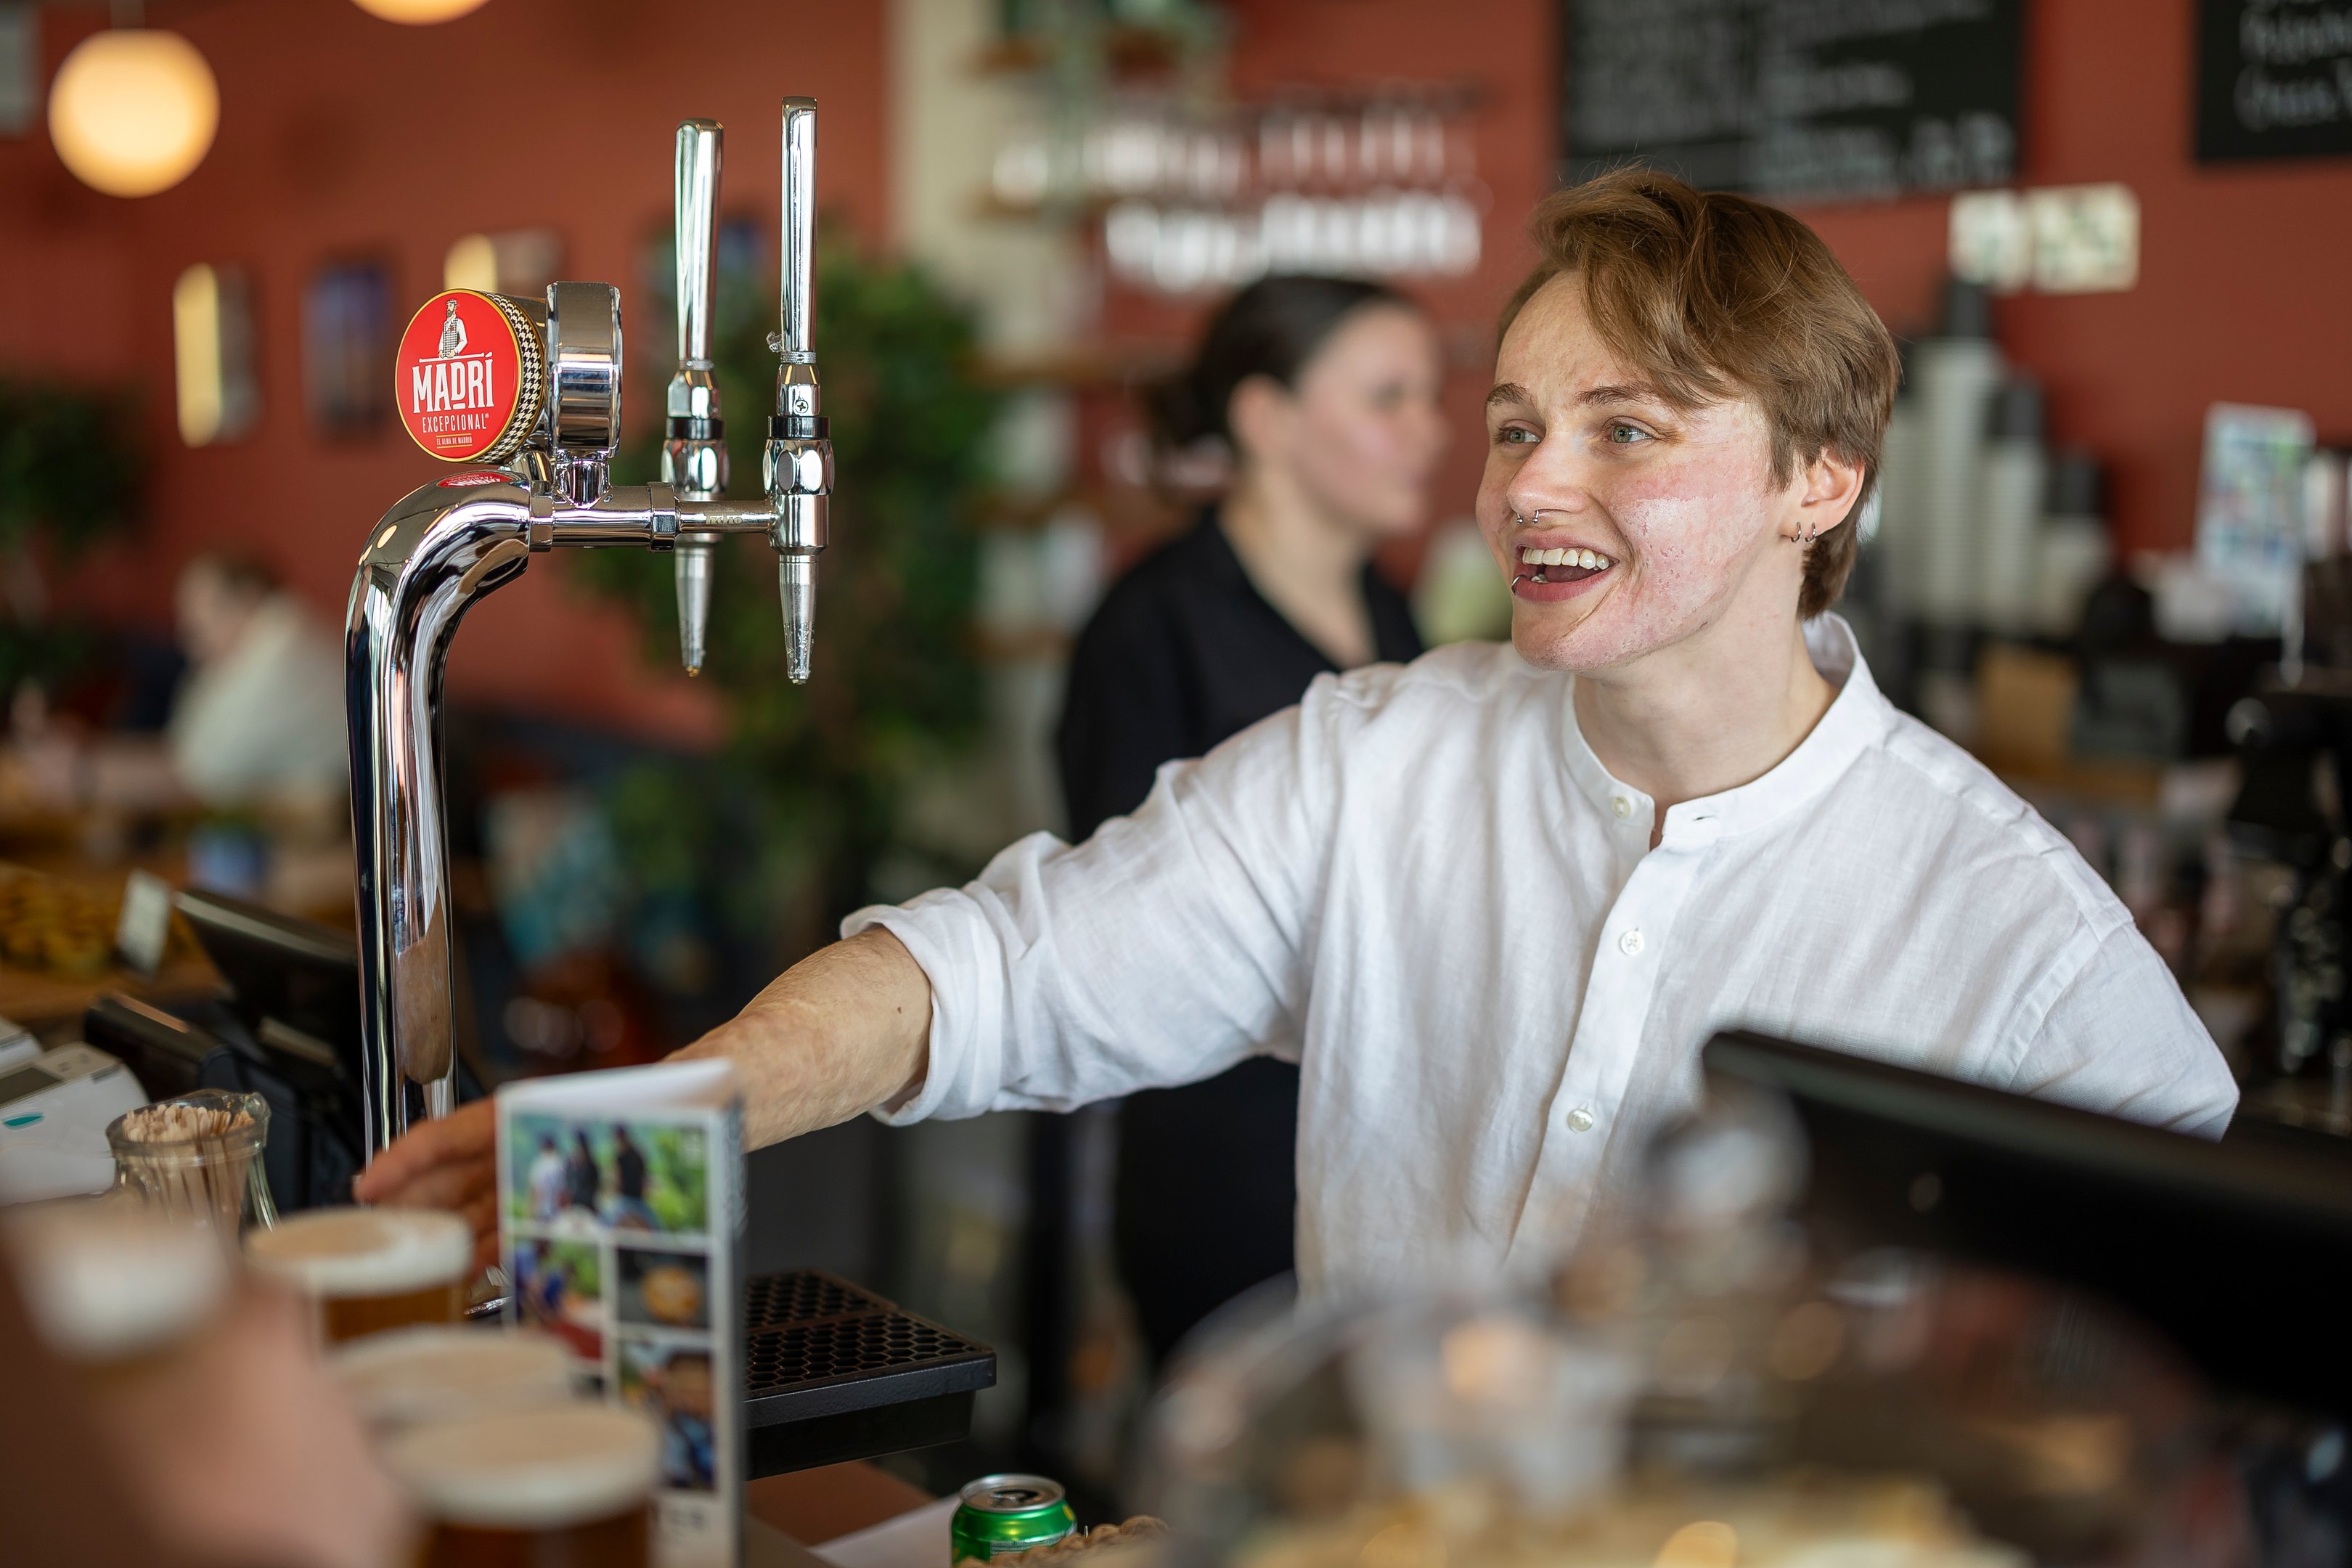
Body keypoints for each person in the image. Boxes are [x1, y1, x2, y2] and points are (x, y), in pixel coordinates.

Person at [360, 170, 2237, 1302]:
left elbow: (2197, 1387)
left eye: (1629, 428)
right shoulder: (1376, 759)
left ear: (1819, 481)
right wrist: (683, 1107)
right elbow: (1000, 973)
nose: (1532, 484)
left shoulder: (2020, 943)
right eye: (1512, 425)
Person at [1057, 275, 1446, 1363]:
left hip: (1380, 1141)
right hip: (1223, 1162)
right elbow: (1119, 925)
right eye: (1389, 398)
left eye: (1431, 397)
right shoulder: (1150, 628)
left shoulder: (1388, 609)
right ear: (1266, 419)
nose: (1432, 431)